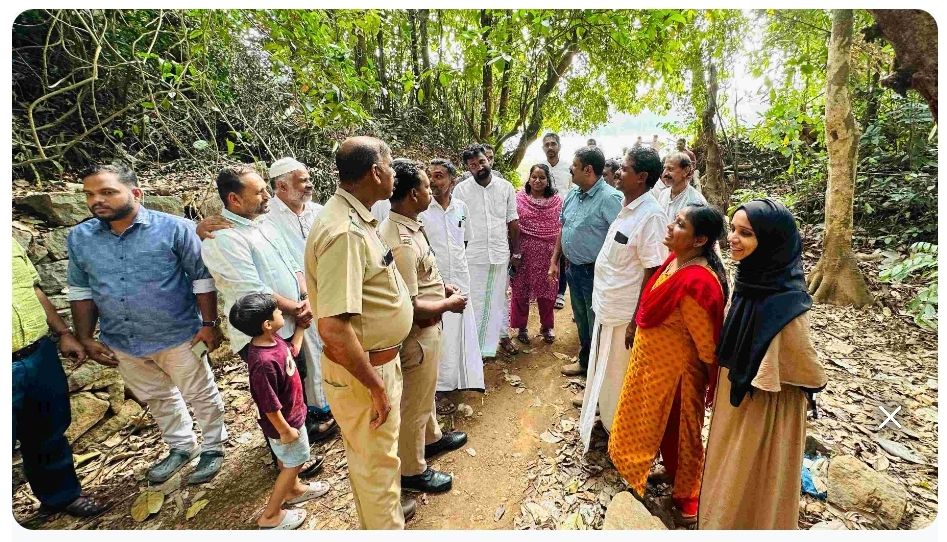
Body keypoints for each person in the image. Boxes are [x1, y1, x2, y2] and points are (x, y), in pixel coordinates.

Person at [67, 162, 228, 486]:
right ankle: (181, 446)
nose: (97, 200)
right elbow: (81, 290)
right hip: (123, 340)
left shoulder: (175, 229)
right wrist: (85, 337)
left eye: (107, 192)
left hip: (178, 333)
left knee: (199, 392)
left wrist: (209, 323)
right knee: (157, 397)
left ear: (135, 193)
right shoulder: (81, 238)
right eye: (90, 194)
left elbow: (201, 280)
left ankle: (213, 446)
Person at [305, 136, 415, 529]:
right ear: (375, 172)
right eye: (389, 164)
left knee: (374, 462)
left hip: (374, 364)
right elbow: (333, 327)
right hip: (365, 372)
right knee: (376, 465)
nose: (394, 171)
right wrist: (376, 386)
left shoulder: (355, 217)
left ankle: (380, 518)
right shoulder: (345, 232)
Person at [698, 199, 827, 530]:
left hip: (767, 409)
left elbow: (806, 370)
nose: (733, 239)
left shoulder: (787, 301)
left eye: (746, 233)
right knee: (727, 466)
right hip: (737, 398)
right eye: (733, 230)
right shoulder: (749, 280)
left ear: (771, 241)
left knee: (749, 479)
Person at [196, 158, 338, 445]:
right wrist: (298, 308)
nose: (268, 196)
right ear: (234, 199)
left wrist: (305, 297)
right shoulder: (223, 239)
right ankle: (286, 458)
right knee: (276, 395)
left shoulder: (262, 224)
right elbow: (252, 288)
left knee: (295, 381)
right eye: (260, 191)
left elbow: (291, 263)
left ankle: (304, 434)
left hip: (290, 320)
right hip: (263, 331)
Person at [608, 203, 728, 524]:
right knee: (659, 426)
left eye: (680, 225)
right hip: (653, 369)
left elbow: (706, 346)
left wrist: (698, 383)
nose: (670, 227)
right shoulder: (675, 261)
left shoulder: (698, 282)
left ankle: (687, 500)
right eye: (674, 221)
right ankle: (665, 473)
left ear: (699, 240)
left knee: (684, 430)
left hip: (676, 376)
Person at [379, 159, 470, 494]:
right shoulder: (399, 240)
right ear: (414, 193)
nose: (431, 191)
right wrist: (449, 304)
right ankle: (412, 470)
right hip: (417, 334)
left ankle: (431, 439)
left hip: (430, 328)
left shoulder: (413, 226)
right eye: (427, 187)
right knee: (414, 403)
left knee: (425, 394)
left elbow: (423, 276)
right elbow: (410, 305)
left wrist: (443, 289)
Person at [578, 146, 667, 451]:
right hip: (607, 306)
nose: (618, 172)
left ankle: (620, 435)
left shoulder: (652, 216)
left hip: (625, 316)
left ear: (641, 177)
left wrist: (636, 320)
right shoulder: (628, 206)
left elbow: (654, 271)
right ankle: (601, 416)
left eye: (625, 169)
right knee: (603, 367)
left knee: (619, 375)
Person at [13, 238, 108, 518]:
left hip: (37, 352)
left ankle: (61, 496)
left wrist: (64, 333)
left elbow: (33, 290)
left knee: (47, 429)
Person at [229, 293, 330, 530]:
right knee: (295, 461)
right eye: (277, 312)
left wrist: (302, 328)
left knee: (289, 462)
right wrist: (284, 430)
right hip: (286, 426)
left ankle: (293, 490)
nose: (281, 313)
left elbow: (291, 353)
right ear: (266, 324)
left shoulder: (273, 341)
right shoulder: (261, 362)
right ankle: (271, 514)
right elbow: (268, 404)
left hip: (294, 417)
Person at [548, 146, 622, 383]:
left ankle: (597, 376)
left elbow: (622, 241)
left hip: (596, 273)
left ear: (588, 170)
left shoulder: (611, 199)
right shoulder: (573, 193)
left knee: (596, 322)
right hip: (573, 269)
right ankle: (585, 361)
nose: (570, 169)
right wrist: (555, 260)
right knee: (581, 317)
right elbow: (564, 228)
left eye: (575, 166)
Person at [419, 159, 485, 413]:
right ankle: (439, 389)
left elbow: (463, 241)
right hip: (434, 282)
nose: (434, 182)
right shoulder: (422, 210)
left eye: (439, 176)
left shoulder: (461, 208)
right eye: (431, 177)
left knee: (459, 330)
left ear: (452, 181)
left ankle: (460, 378)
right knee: (437, 333)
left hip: (460, 276)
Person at [452, 143, 521, 357]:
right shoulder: (461, 191)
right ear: (468, 169)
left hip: (500, 252)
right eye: (473, 165)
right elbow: (459, 222)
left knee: (500, 297)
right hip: (473, 254)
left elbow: (512, 220)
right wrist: (459, 251)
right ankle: (478, 347)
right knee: (477, 299)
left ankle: (502, 337)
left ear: (488, 160)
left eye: (482, 161)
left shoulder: (505, 187)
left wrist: (516, 252)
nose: (479, 167)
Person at [511, 164, 562, 345]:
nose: (537, 181)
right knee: (520, 291)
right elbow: (511, 224)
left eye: (542, 177)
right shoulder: (518, 199)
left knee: (548, 291)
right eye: (534, 177)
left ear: (548, 180)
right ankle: (521, 327)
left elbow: (561, 228)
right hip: (523, 253)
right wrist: (514, 251)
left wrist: (557, 258)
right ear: (529, 178)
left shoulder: (557, 201)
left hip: (548, 254)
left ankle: (547, 326)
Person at [539, 132, 571, 310]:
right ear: (543, 148)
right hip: (544, 218)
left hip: (563, 217)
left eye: (553, 144)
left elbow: (574, 190)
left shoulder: (568, 168)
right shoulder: (540, 168)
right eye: (547, 145)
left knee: (562, 254)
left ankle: (560, 292)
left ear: (559, 146)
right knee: (546, 253)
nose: (550, 147)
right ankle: (544, 289)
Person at [657, 152, 707, 219]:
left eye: (670, 169)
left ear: (686, 171)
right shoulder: (663, 194)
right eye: (664, 168)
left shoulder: (696, 201)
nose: (664, 173)